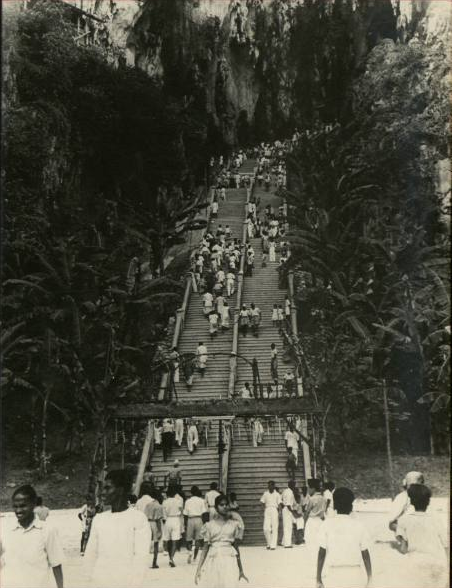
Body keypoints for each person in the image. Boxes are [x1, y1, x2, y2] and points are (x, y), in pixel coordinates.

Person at [84, 470, 150, 588]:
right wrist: (88, 580)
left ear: (121, 490)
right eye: (103, 488)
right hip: (100, 582)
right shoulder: (99, 519)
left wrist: (135, 583)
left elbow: (141, 558)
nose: (102, 493)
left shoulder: (138, 518)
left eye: (108, 488)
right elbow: (90, 555)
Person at [0, 484, 64, 588]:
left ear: (33, 504)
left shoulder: (47, 530)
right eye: (15, 506)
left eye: (23, 506)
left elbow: (56, 565)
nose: (18, 511)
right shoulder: (6, 530)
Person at [316, 487, 372, 588]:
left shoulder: (326, 524)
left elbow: (321, 553)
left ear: (335, 505)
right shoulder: (359, 525)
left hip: (334, 575)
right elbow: (365, 555)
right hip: (355, 575)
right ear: (351, 506)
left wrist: (318, 578)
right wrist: (370, 578)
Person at [395, 484, 448, 588]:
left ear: (411, 501)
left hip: (415, 565)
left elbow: (403, 549)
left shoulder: (403, 520)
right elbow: (446, 545)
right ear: (428, 502)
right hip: (436, 564)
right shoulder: (436, 519)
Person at [195, 494, 247, 587]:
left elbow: (236, 549)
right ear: (216, 507)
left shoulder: (233, 525)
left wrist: (241, 570)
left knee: (229, 583)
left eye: (226, 504)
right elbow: (205, 549)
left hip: (229, 559)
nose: (224, 507)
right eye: (221, 505)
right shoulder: (209, 526)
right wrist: (198, 569)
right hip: (214, 559)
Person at [184, 486, 208, 564]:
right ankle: (194, 557)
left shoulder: (188, 501)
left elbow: (185, 514)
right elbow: (204, 513)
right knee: (198, 539)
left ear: (191, 492)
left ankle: (190, 551)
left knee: (189, 538)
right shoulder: (201, 501)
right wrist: (204, 523)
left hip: (190, 519)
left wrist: (185, 524)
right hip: (198, 519)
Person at [162, 485, 183, 567]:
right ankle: (171, 558)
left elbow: (164, 514)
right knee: (175, 540)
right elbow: (181, 511)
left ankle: (166, 551)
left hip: (168, 520)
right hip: (176, 520)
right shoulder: (178, 501)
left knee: (167, 539)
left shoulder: (165, 502)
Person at [304, 478, 326, 551]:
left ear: (313, 488)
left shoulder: (312, 499)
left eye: (309, 488)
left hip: (312, 521)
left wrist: (304, 522)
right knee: (318, 541)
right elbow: (323, 513)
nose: (308, 490)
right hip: (320, 521)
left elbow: (307, 512)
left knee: (310, 541)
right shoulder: (323, 498)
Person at [145, 489, 164, 569]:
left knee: (146, 542)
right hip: (154, 523)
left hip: (147, 522)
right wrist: (160, 530)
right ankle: (154, 562)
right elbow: (159, 520)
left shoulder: (148, 505)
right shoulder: (159, 506)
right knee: (156, 543)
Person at [260, 480, 281, 550]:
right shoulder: (265, 494)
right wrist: (264, 509)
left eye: (271, 485)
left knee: (275, 527)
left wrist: (280, 512)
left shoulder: (277, 494)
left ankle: (273, 545)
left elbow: (279, 504)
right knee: (266, 528)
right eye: (268, 485)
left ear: (274, 486)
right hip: (267, 510)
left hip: (274, 510)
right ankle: (269, 543)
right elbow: (262, 502)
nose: (269, 487)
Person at [281, 480, 299, 548]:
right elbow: (288, 504)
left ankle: (283, 542)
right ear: (291, 485)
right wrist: (292, 512)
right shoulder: (289, 492)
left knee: (286, 525)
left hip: (286, 509)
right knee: (288, 527)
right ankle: (287, 544)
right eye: (293, 485)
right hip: (288, 509)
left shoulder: (285, 491)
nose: (294, 486)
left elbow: (281, 500)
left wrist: (283, 506)